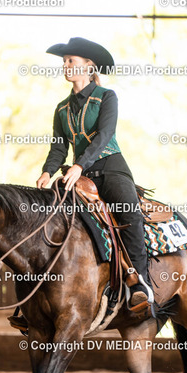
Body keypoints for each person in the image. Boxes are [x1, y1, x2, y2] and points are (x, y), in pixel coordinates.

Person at [37, 37, 153, 312]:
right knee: (48, 218)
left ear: (88, 66)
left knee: (130, 216)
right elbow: (59, 147)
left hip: (111, 169)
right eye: (64, 61)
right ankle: (39, 297)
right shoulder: (61, 108)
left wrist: (79, 165)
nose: (65, 65)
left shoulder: (106, 97)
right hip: (79, 176)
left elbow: (104, 135)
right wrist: (47, 171)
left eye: (71, 60)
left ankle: (141, 286)